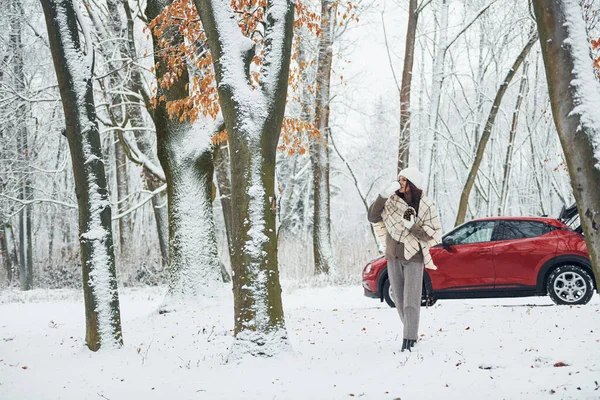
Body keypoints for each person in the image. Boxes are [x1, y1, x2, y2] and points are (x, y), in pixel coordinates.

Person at [368, 167, 442, 352]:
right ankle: (410, 330)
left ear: (412, 184)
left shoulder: (424, 205)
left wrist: (413, 226)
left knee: (411, 300)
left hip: (413, 257)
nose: (400, 183)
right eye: (399, 179)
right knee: (399, 300)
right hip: (393, 256)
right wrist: (383, 195)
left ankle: (409, 338)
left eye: (403, 180)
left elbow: (431, 234)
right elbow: (373, 216)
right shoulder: (391, 201)